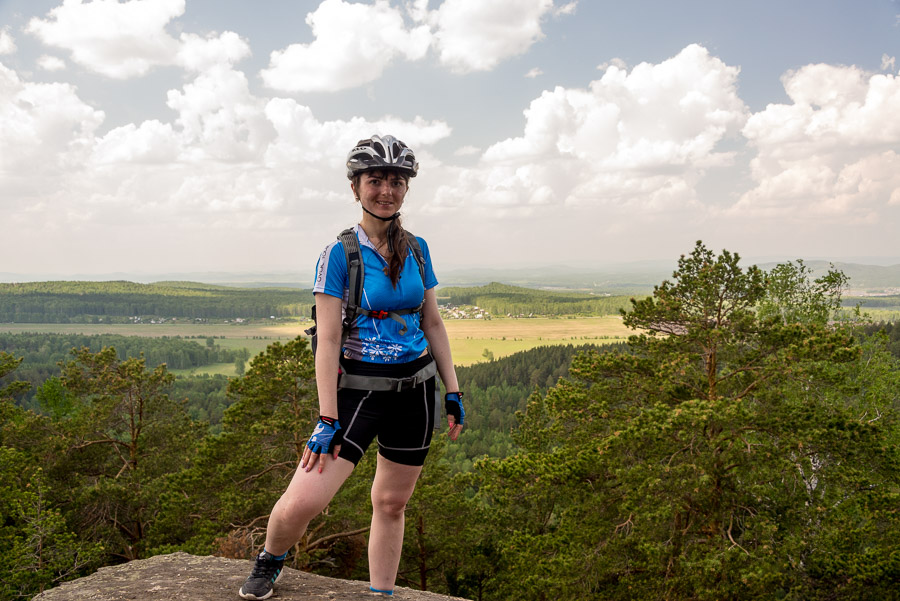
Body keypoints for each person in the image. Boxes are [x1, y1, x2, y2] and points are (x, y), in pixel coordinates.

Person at [238, 135, 465, 600]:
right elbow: (328, 342)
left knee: (392, 502)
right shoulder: (339, 255)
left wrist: (453, 390)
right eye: (375, 180)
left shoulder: (418, 248)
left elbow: (434, 322)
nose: (386, 190)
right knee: (303, 502)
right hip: (358, 391)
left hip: (416, 391)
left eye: (396, 181)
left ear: (406, 189)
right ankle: (271, 557)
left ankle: (381, 592)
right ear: (355, 187)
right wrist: (326, 418)